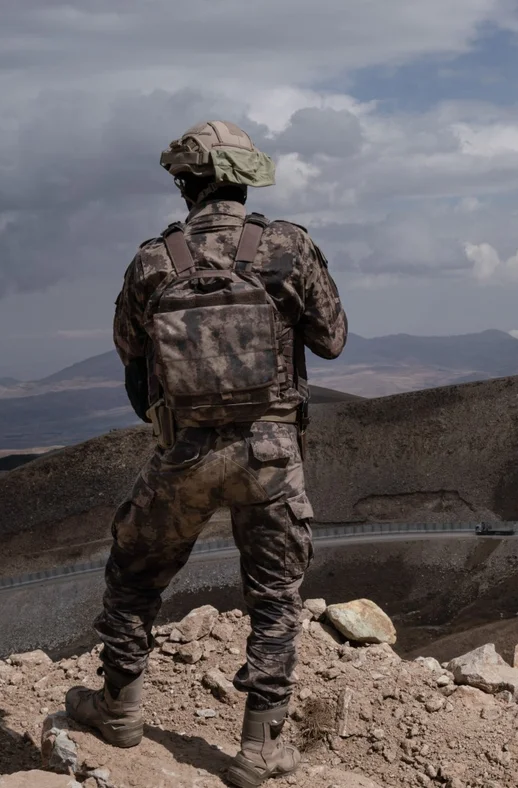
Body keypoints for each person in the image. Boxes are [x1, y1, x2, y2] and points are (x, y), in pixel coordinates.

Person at [64, 119, 347, 787]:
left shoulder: (153, 261)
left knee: (134, 575)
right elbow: (332, 339)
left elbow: (133, 363)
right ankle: (258, 747)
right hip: (271, 455)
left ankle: (120, 708)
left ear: (184, 184)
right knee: (275, 596)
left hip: (182, 456)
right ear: (247, 181)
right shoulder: (288, 246)